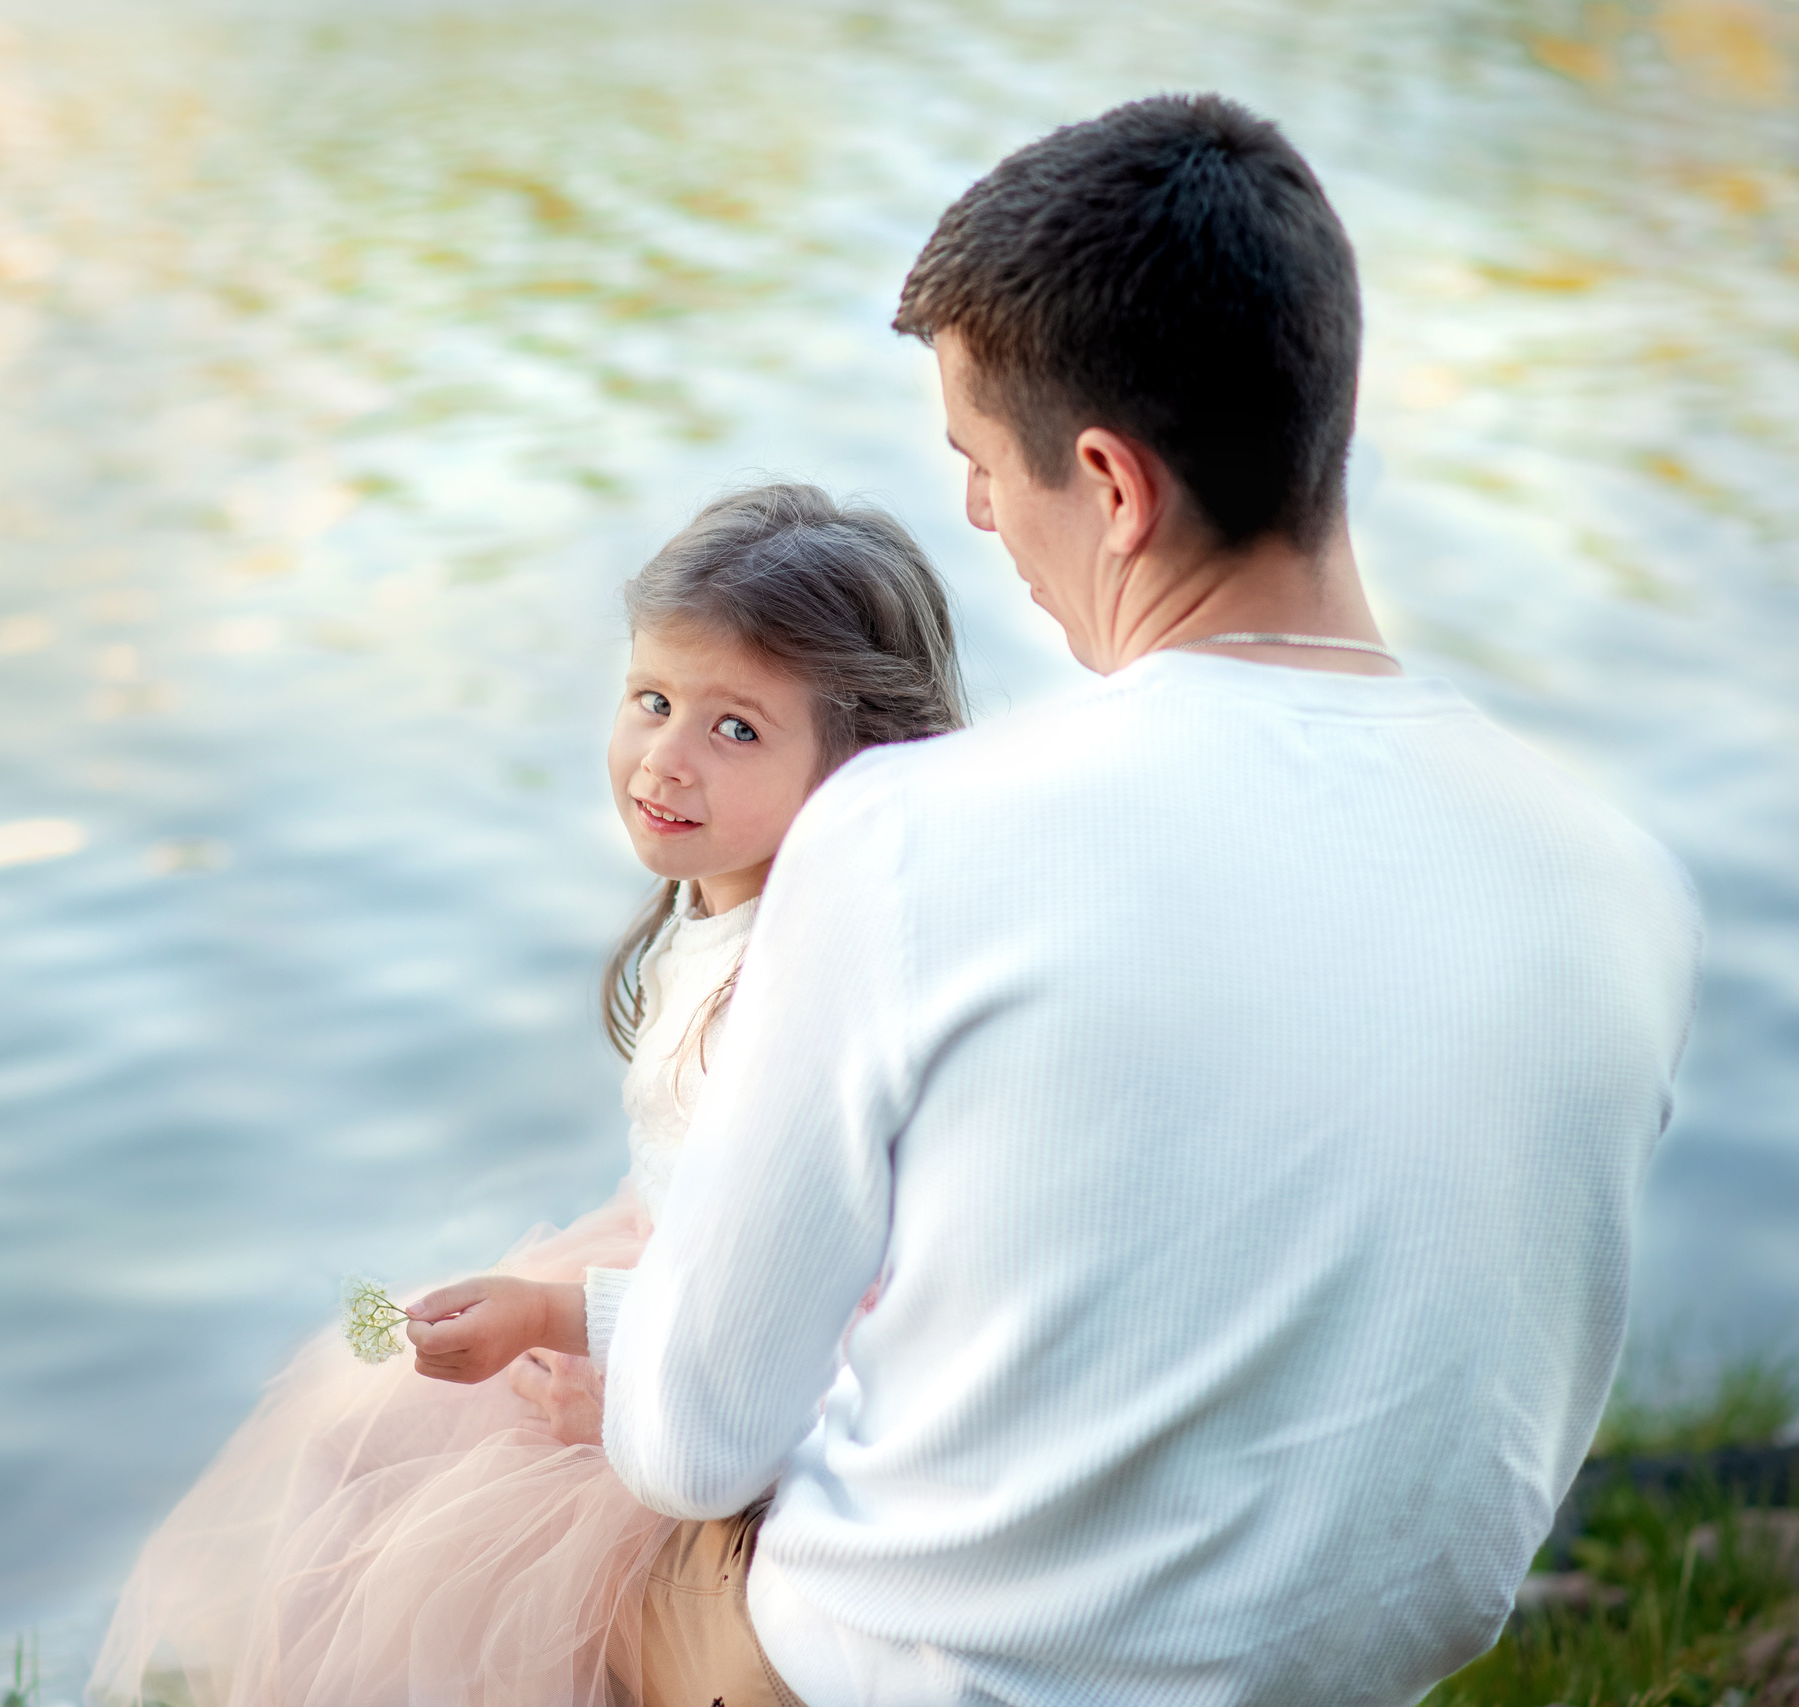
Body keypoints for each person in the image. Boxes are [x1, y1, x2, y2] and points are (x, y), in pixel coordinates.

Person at [417, 94, 1702, 1707]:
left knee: (510, 1547)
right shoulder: (1621, 878)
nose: (972, 515)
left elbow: (688, 1441)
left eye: (974, 459)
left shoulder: (907, 835)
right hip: (1354, 1672)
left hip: (917, 1679)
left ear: (1109, 482)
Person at [85, 482, 964, 1707]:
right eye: (653, 701)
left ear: (859, 764)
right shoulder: (713, 915)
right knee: (356, 1427)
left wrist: (564, 1326)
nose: (665, 757)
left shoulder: (794, 997)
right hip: (664, 1284)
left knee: (441, 1569)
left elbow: (803, 1304)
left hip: (724, 1373)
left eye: (736, 730)